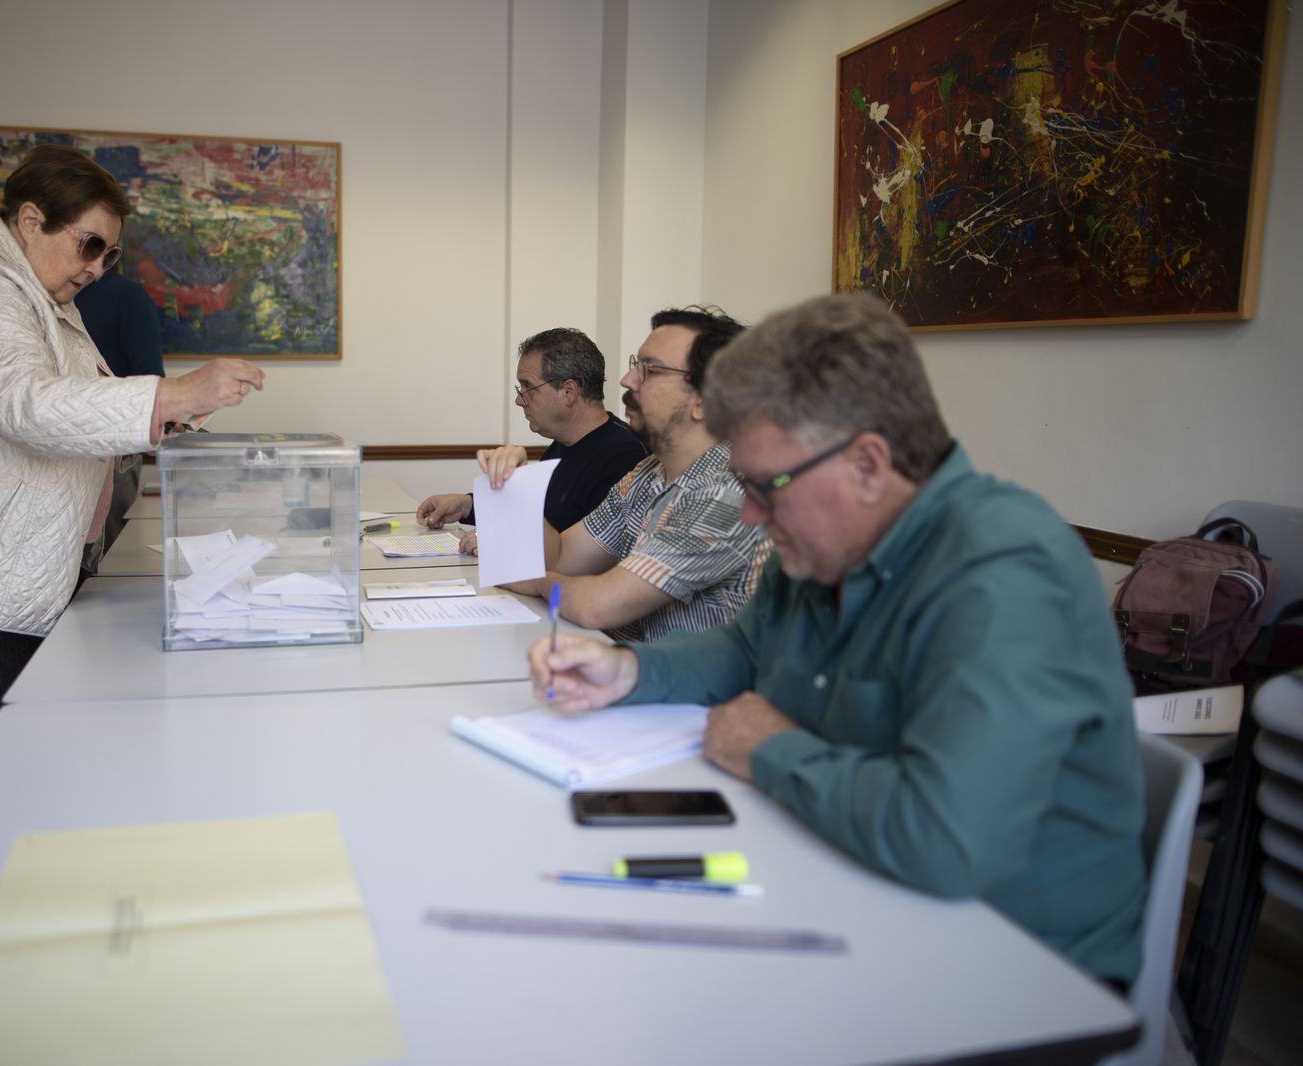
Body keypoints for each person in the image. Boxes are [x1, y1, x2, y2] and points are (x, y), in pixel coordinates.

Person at [527, 293, 1145, 984]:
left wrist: (770, 750)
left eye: (766, 485)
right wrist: (630, 672)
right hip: (852, 886)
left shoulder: (1005, 571)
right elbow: (744, 650)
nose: (754, 511)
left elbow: (943, 840)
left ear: (869, 465)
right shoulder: (826, 541)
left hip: (1015, 969)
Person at [0, 145, 266, 774]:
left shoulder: (34, 287)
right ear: (29, 220)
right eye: (88, 245)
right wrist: (174, 392)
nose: (98, 268)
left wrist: (168, 415)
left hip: (9, 558)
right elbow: (26, 404)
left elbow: (79, 409)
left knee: (35, 758)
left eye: (109, 254)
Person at [499, 307, 769, 641]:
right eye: (634, 365)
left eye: (650, 370)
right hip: (639, 671)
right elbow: (560, 557)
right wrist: (516, 484)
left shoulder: (725, 493)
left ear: (704, 399)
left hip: (701, 692)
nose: (627, 380)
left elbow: (596, 605)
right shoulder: (647, 474)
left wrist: (539, 582)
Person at [415, 327, 644, 536]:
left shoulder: (623, 456)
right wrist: (467, 505)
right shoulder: (564, 444)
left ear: (568, 391)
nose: (518, 399)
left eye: (528, 387)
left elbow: (583, 553)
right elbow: (540, 511)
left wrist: (503, 538)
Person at [74, 265, 166, 572]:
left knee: (96, 562)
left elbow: (150, 383)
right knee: (92, 566)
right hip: (89, 454)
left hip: (97, 454)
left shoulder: (124, 297)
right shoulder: (126, 297)